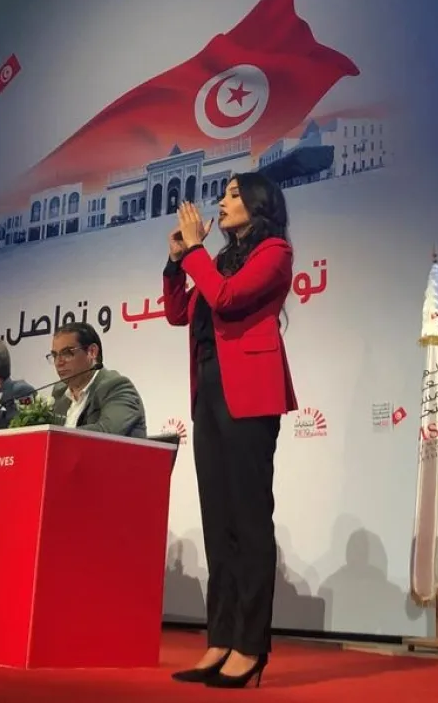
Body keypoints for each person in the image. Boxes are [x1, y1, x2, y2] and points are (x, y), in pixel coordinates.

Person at [163, 173, 295, 689]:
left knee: (249, 521)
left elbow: (226, 299)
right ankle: (219, 640)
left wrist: (195, 249)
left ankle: (250, 646)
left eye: (234, 194)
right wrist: (177, 261)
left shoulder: (275, 252)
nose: (222, 202)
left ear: (259, 204)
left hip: (250, 393)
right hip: (209, 393)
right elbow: (180, 312)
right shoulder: (215, 259)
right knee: (218, 521)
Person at [46, 322, 147, 437]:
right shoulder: (59, 393)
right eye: (55, 355)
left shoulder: (116, 387)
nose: (59, 362)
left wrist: (57, 438)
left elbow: (107, 431)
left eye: (67, 353)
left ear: (92, 352)